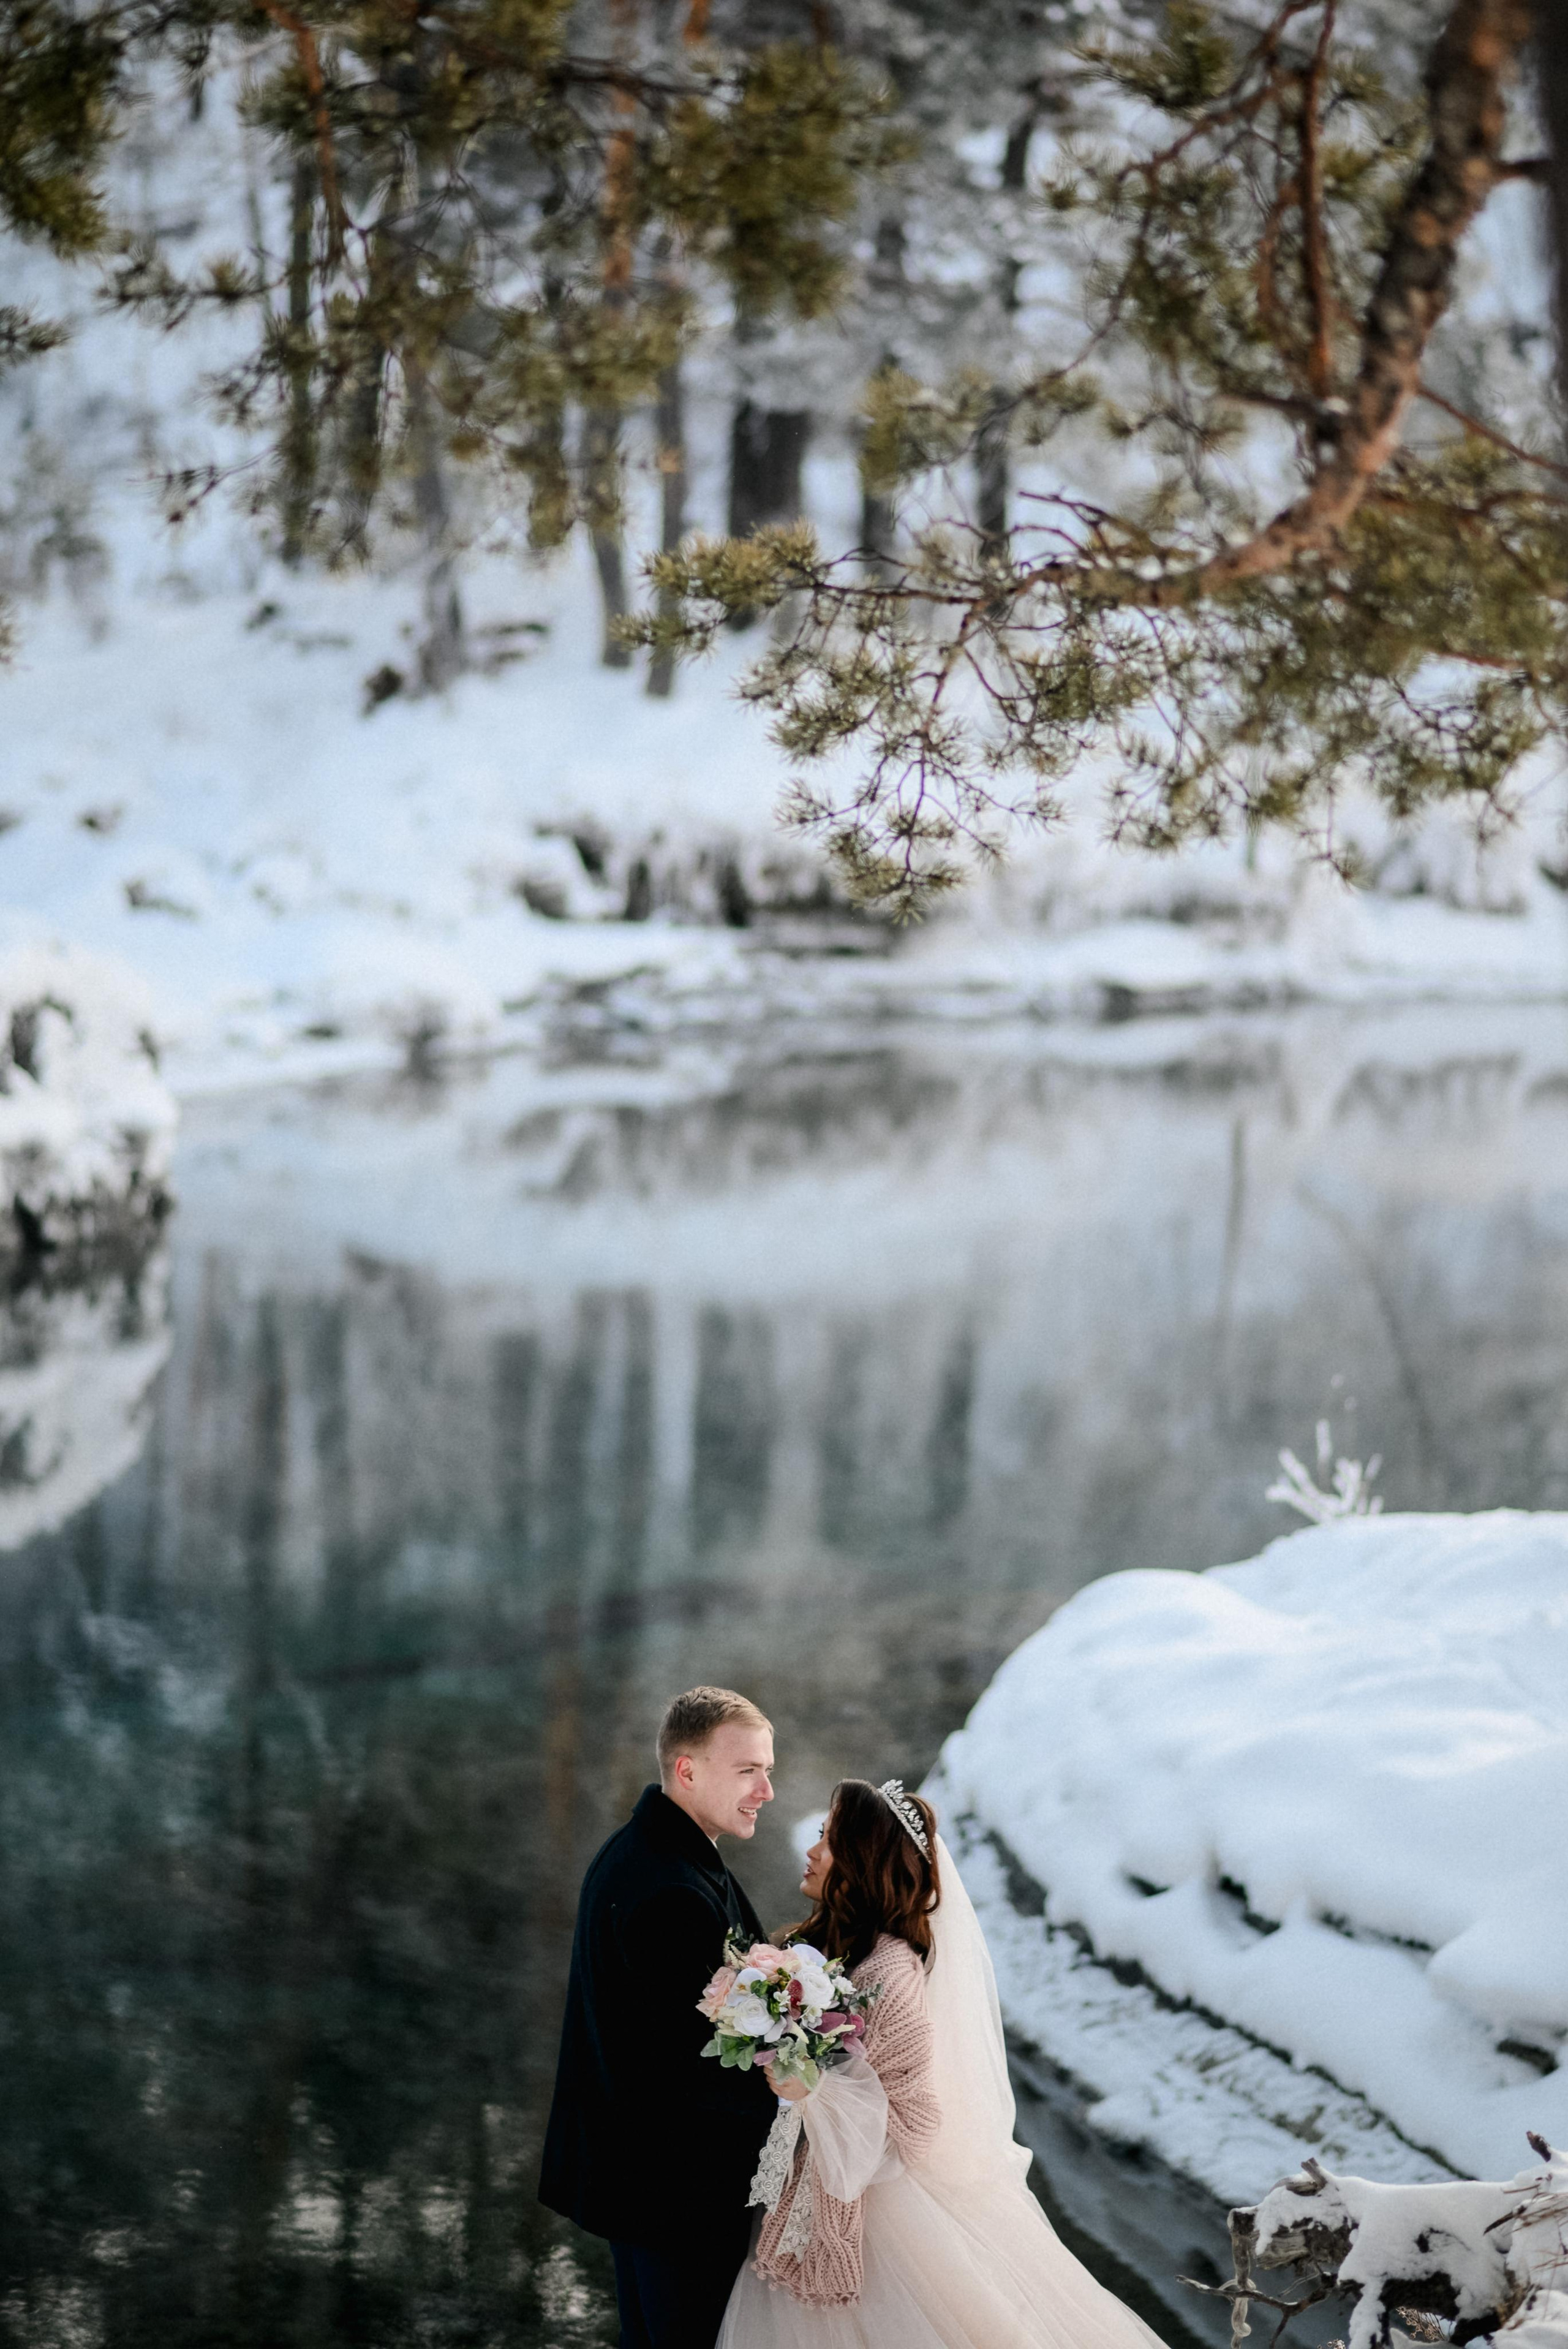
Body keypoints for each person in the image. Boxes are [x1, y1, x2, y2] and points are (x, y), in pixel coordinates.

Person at [718, 1778, 1171, 2349]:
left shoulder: (891, 1973)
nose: (812, 1851)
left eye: (829, 1841)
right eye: (818, 1836)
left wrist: (809, 2089)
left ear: (865, 1860)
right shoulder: (830, 1949)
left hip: (879, 2220)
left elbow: (914, 2119)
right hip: (815, 2183)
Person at [539, 1685, 780, 2349]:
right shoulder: (671, 1889)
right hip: (677, 2193)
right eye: (747, 1771)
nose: (765, 1790)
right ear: (687, 1770)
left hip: (641, 2180)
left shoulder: (653, 1852)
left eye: (768, 1770)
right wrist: (807, 2108)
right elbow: (693, 2068)